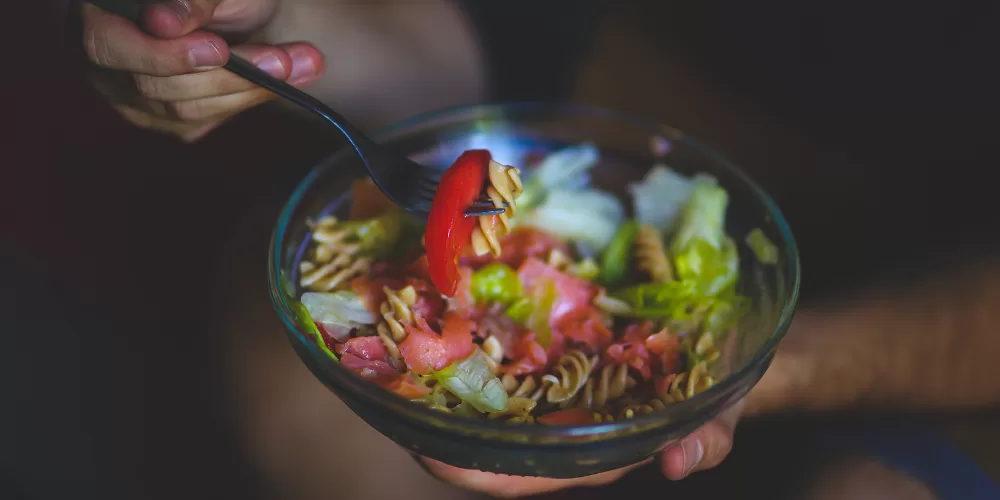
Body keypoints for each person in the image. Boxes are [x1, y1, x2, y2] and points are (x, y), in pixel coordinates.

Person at [75, 1, 1000, 499]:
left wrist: (752, 369)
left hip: (956, 296)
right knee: (283, 365)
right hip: (673, 112)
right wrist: (265, 31)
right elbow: (510, 42)